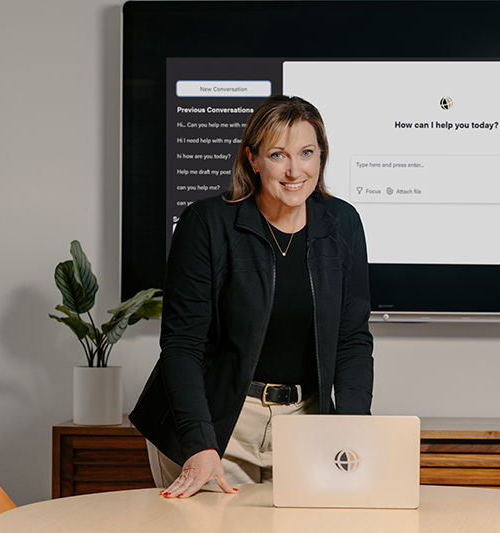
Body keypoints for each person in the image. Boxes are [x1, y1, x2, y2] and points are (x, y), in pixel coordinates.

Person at [129, 95, 374, 499]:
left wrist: (351, 430)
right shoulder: (206, 223)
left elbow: (352, 339)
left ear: (321, 157)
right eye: (279, 154)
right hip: (217, 422)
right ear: (253, 159)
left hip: (305, 422)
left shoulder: (343, 223)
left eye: (307, 153)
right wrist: (199, 443)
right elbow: (182, 345)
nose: (295, 170)